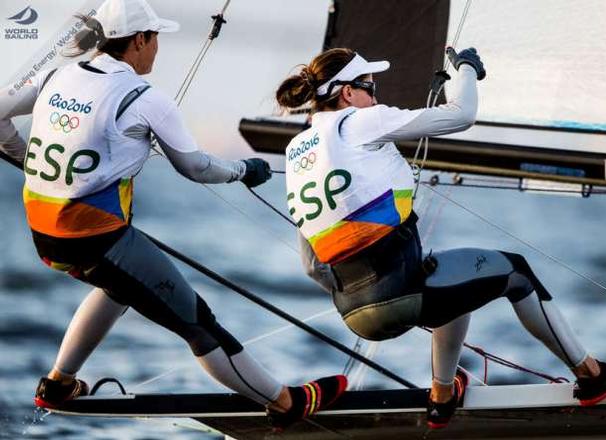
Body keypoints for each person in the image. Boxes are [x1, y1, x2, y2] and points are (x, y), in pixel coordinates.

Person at [0, 0, 346, 429]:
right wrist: (243, 170)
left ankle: (59, 384)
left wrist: (25, 160)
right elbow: (195, 167)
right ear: (139, 40)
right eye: (156, 37)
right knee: (197, 322)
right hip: (98, 240)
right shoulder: (145, 98)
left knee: (120, 289)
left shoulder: (57, 76)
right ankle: (284, 402)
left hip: (45, 236)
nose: (158, 47)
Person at [276, 47, 606, 428]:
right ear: (347, 93)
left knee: (455, 277)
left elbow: (311, 265)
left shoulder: (297, 150)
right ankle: (593, 376)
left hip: (353, 312)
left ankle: (443, 396)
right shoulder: (358, 121)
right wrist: (466, 70)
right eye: (370, 86)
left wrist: (370, 295)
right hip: (401, 295)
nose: (376, 95)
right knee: (516, 272)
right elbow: (462, 115)